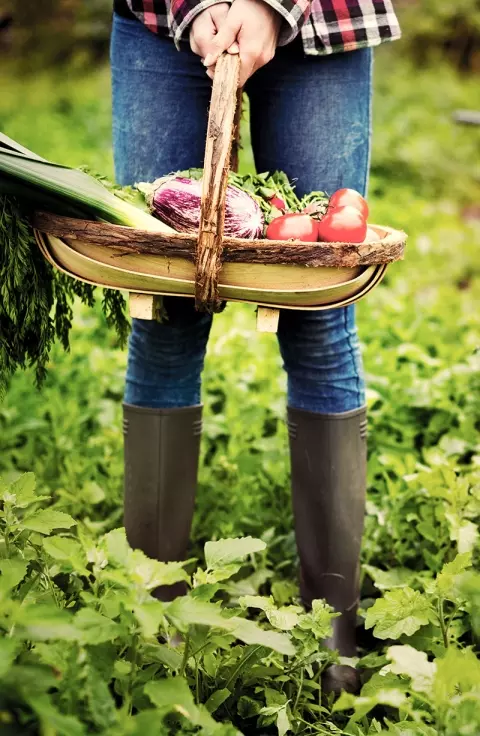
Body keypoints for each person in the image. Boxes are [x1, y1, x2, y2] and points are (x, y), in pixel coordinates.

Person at [111, 0, 400, 694]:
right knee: (165, 309)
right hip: (164, 20)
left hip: (324, 20)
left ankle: (332, 644)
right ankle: (150, 626)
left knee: (319, 310)